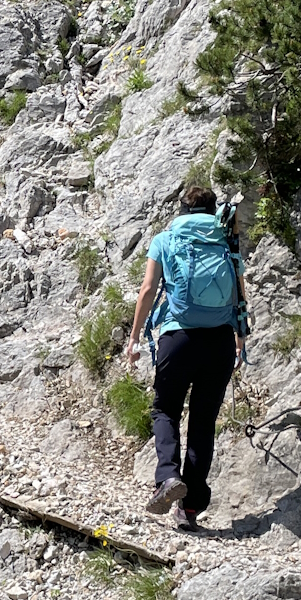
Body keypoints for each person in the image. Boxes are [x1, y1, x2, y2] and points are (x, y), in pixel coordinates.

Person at [124, 185, 244, 530]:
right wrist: (239, 341)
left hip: (178, 338)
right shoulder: (226, 240)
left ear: (181, 210)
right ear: (212, 210)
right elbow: (239, 293)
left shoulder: (165, 239)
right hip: (220, 340)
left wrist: (134, 339)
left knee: (166, 409)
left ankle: (167, 478)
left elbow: (148, 290)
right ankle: (189, 510)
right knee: (203, 423)